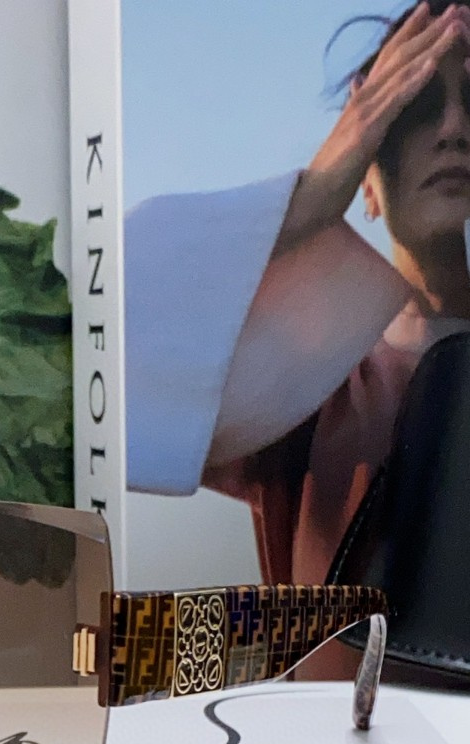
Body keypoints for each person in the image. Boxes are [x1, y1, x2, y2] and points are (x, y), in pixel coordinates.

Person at [126, 1, 470, 678]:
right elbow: (100, 361)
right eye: (415, 105)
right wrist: (310, 198)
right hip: (348, 738)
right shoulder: (310, 377)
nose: (455, 129)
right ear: (367, 177)